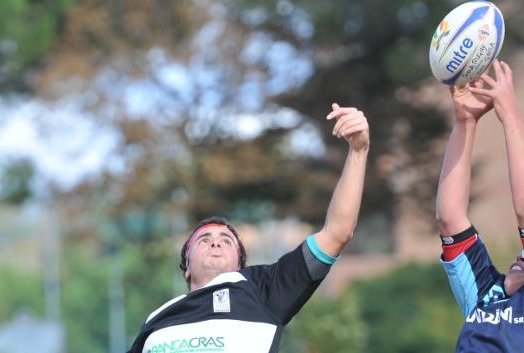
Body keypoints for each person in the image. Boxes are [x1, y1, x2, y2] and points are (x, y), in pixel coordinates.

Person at [126, 103, 370, 353]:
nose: (215, 242)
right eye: (203, 239)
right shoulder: (157, 320)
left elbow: (338, 232)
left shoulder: (262, 290)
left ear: (239, 265)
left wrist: (359, 151)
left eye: (226, 240)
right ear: (186, 266)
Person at [436, 59, 524, 353]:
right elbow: (450, 218)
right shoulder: (487, 294)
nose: (523, 255)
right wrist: (465, 123)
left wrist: (510, 114)